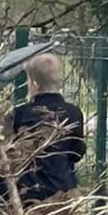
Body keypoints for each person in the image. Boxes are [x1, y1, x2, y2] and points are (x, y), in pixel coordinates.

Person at [11, 52, 86, 204]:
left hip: (30, 193)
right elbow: (76, 153)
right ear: (60, 81)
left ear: (34, 84)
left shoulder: (21, 114)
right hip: (64, 191)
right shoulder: (73, 113)